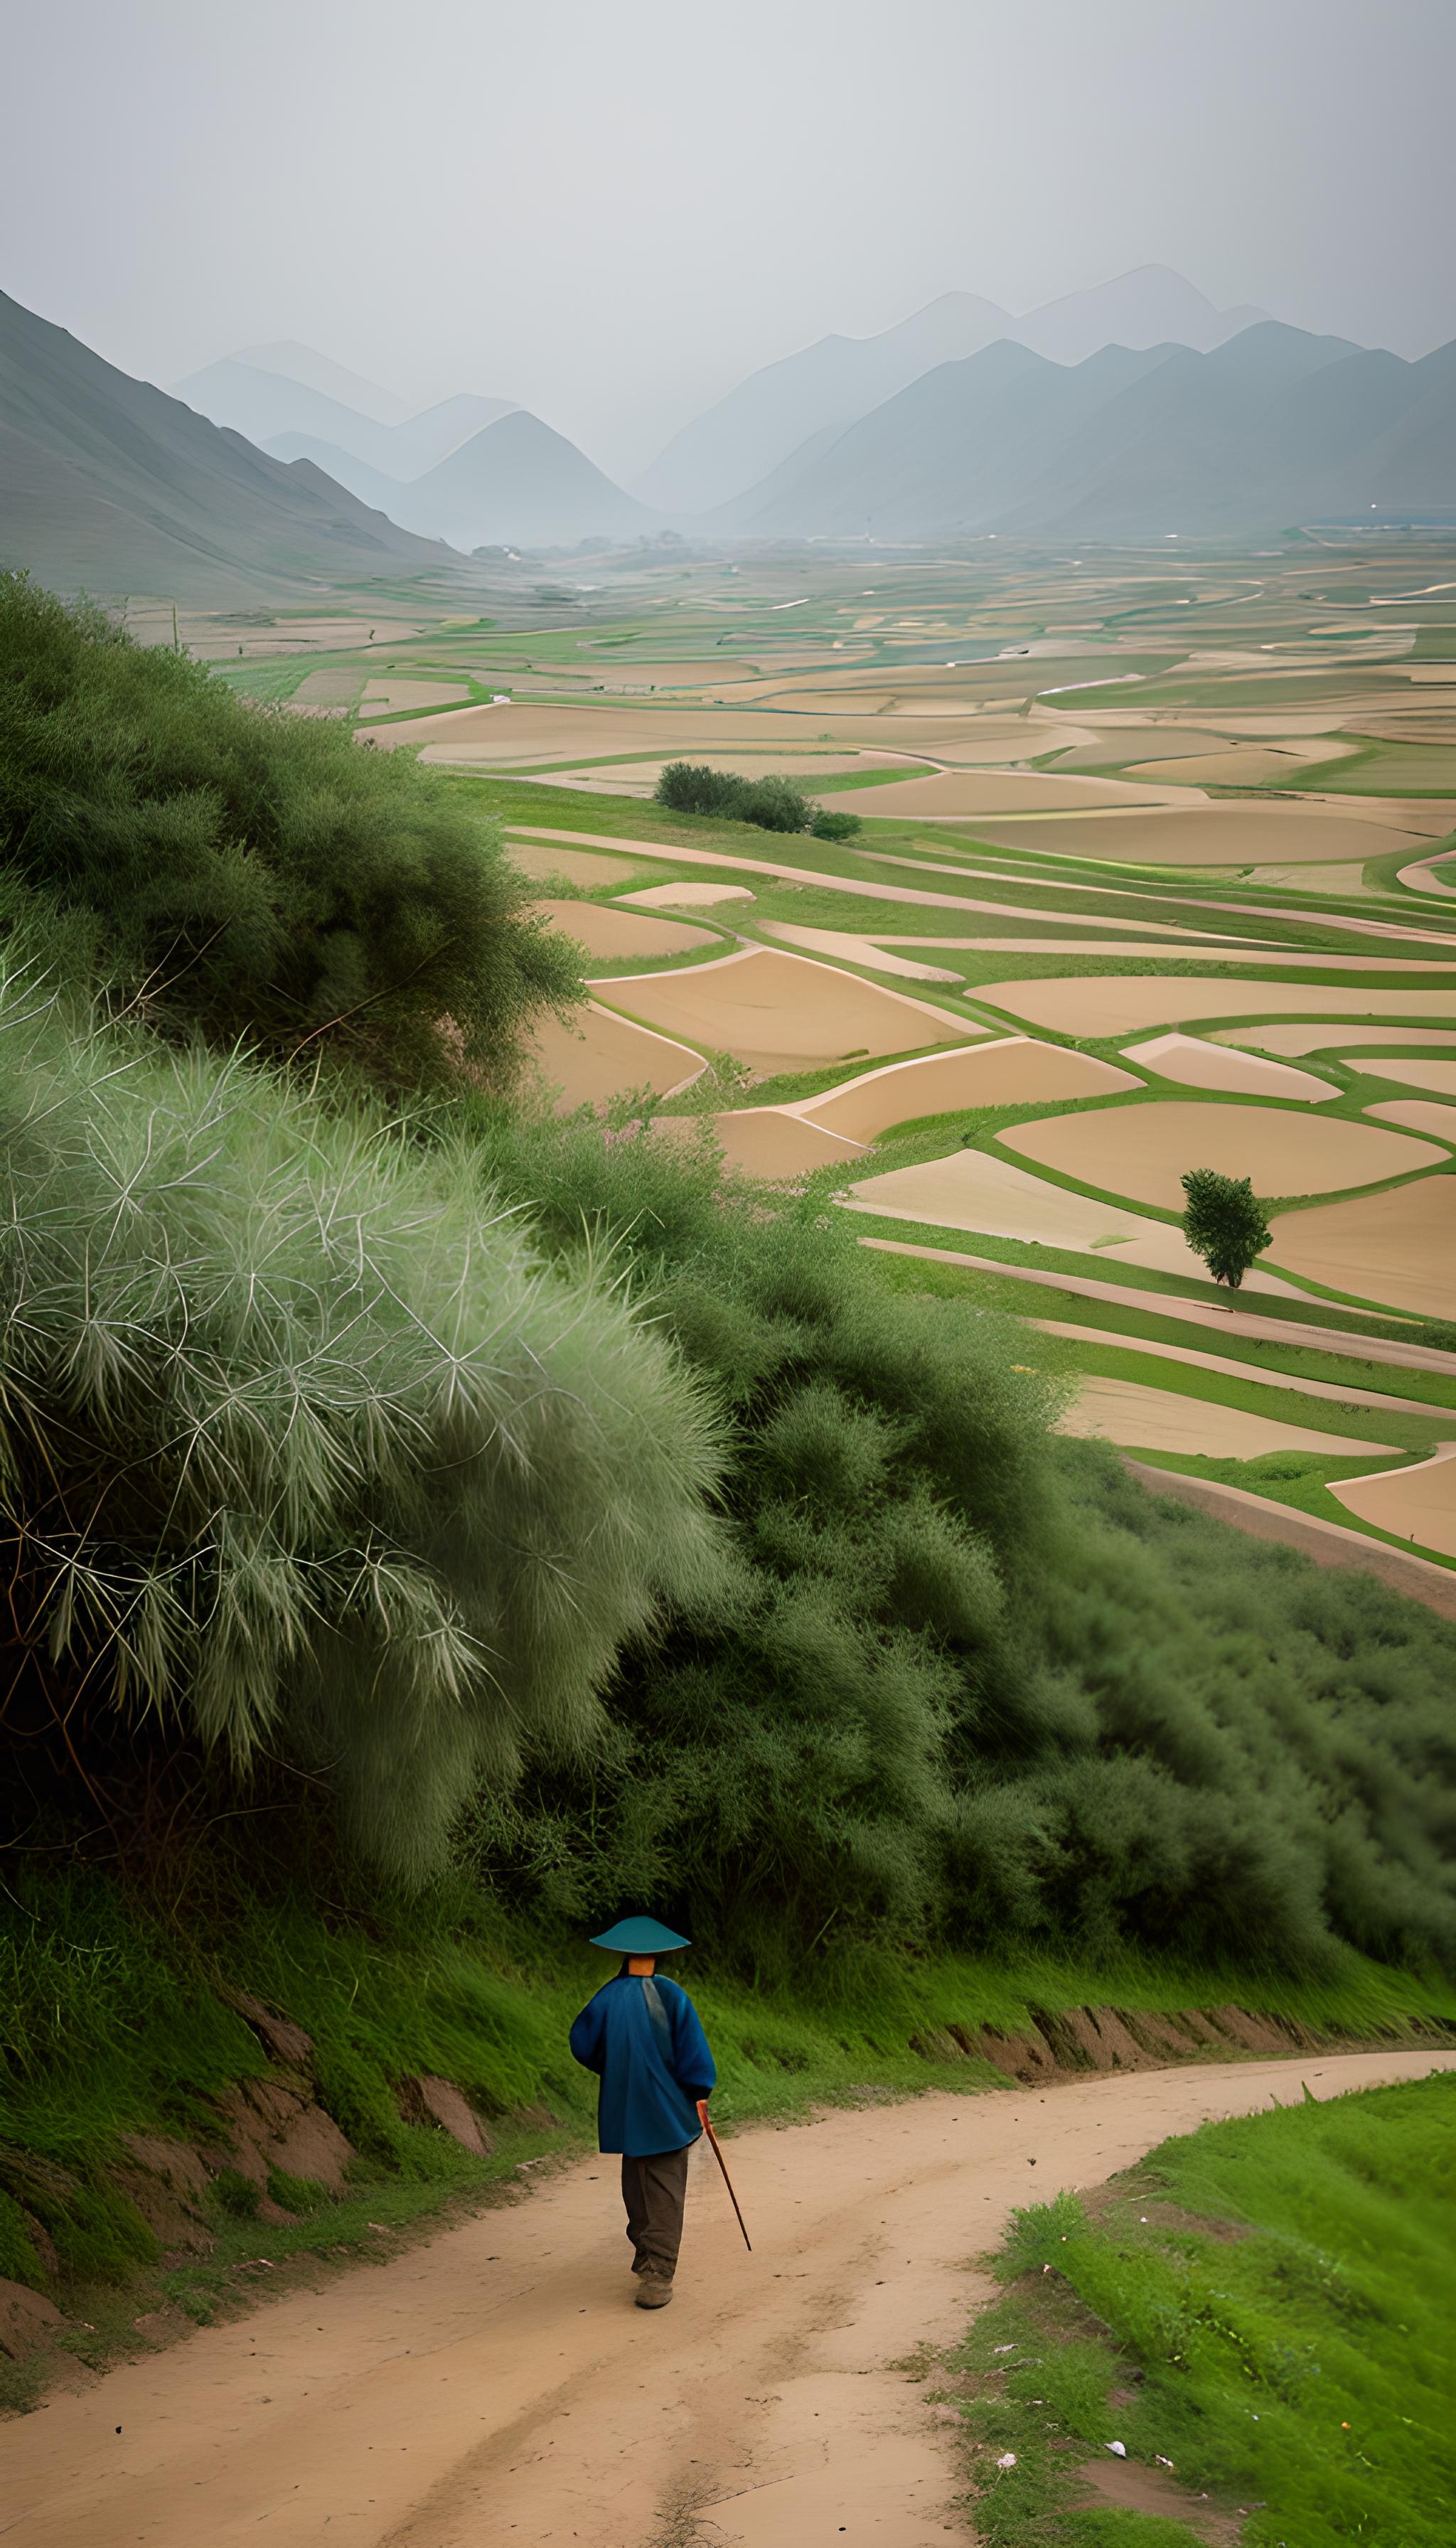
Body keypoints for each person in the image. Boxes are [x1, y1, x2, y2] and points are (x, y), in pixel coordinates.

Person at [569, 1916, 717, 2309]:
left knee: (636, 2183)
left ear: (624, 1956)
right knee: (665, 2187)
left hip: (626, 2107)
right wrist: (699, 2091)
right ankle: (658, 2274)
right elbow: (696, 2059)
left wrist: (616, 2068)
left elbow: (581, 2044)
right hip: (668, 2111)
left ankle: (646, 2256)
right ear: (658, 1957)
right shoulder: (671, 1995)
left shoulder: (607, 1996)